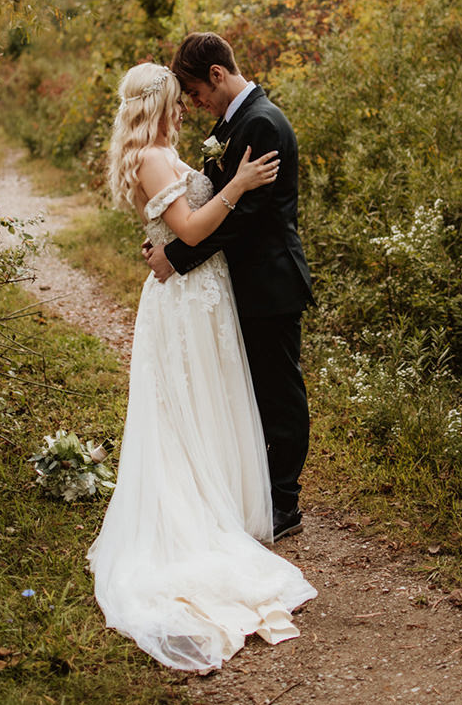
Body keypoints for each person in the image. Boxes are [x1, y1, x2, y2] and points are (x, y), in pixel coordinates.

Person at [87, 61, 316, 672]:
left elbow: (176, 226)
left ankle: (230, 498)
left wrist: (174, 236)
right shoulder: (156, 159)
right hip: (187, 300)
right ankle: (208, 510)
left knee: (212, 396)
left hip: (201, 294)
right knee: (191, 402)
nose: (187, 107)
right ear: (158, 102)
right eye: (178, 99)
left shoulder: (160, 152)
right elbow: (189, 223)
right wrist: (236, 185)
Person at [144, 32, 314, 542]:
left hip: (270, 281)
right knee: (253, 392)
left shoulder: (261, 122)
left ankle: (284, 503)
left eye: (195, 92)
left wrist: (176, 257)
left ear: (217, 75)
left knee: (280, 395)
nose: (194, 103)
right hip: (241, 281)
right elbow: (214, 202)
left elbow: (248, 220)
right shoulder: (235, 122)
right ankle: (258, 491)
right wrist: (163, 239)